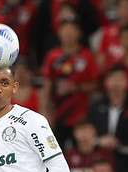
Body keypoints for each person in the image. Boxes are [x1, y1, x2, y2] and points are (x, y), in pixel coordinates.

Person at [40, 18, 99, 147]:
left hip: (82, 116)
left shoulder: (87, 56)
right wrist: (45, 111)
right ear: (59, 33)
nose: (68, 33)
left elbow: (96, 85)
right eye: (65, 30)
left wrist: (76, 87)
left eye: (72, 30)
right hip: (59, 114)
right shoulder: (52, 56)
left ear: (79, 33)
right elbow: (47, 85)